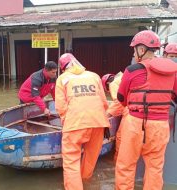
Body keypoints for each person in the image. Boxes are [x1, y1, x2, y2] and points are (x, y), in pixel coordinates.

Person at [115, 30, 177, 190]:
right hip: (160, 126)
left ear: (141, 49)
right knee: (155, 168)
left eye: (134, 49)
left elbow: (121, 98)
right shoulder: (173, 71)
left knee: (126, 166)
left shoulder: (133, 70)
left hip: (135, 123)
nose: (134, 53)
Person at [55, 53, 110, 190]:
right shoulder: (94, 76)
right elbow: (104, 102)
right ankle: (86, 182)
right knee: (90, 159)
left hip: (74, 125)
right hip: (98, 123)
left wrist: (66, 123)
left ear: (63, 68)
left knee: (71, 162)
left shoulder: (62, 79)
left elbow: (61, 107)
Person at [102, 72, 128, 162]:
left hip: (131, 112)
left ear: (107, 84)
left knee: (121, 137)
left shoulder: (113, 84)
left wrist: (107, 115)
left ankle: (118, 162)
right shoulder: (122, 77)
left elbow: (118, 102)